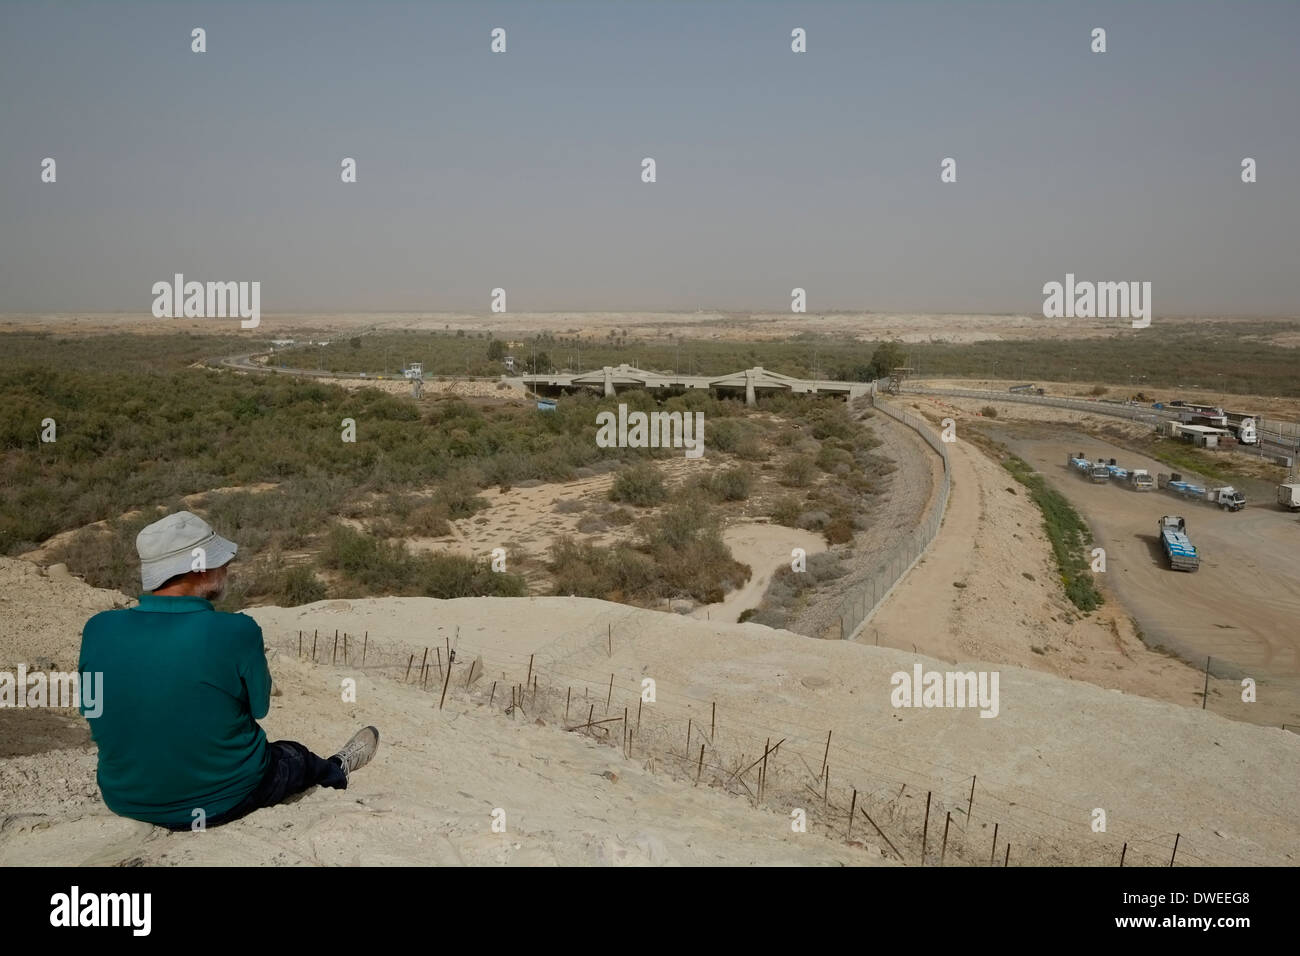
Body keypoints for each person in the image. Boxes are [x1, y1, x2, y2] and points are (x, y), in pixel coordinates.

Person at [78, 510, 379, 831]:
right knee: (295, 756)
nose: (226, 568)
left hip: (125, 797)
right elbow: (259, 708)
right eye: (222, 561)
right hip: (224, 799)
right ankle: (337, 768)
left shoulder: (98, 628)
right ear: (201, 569)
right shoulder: (236, 630)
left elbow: (93, 709)